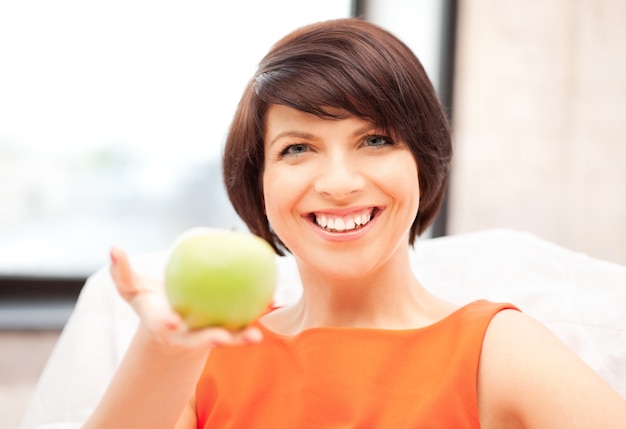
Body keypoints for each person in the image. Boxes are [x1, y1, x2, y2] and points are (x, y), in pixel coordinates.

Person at [83, 18, 626, 428]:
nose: (339, 182)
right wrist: (162, 348)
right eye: (298, 148)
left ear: (423, 162)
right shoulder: (208, 359)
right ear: (260, 184)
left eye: (375, 140)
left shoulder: (497, 349)